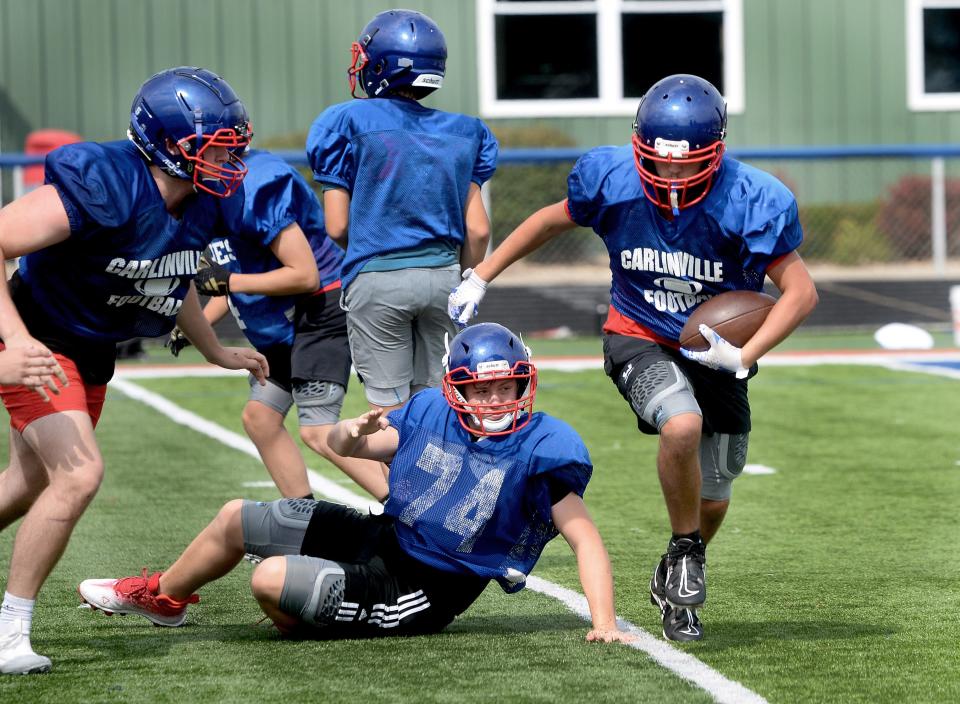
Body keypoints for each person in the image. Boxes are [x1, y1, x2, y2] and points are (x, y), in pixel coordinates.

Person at [447, 74, 819, 642]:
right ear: (637, 146)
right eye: (658, 161)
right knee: (681, 423)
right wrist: (483, 274)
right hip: (636, 332)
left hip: (714, 347)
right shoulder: (612, 178)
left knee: (716, 494)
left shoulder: (750, 199)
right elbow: (550, 220)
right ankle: (691, 554)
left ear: (716, 151)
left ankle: (680, 554)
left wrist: (745, 353)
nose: (671, 174)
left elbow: (801, 292)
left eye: (686, 162)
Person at [78, 323, 632, 644]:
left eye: (505, 388)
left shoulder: (544, 447)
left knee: (271, 581)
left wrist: (603, 621)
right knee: (235, 517)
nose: (494, 401)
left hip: (429, 588)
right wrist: (350, 431)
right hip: (384, 538)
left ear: (523, 385)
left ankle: (305, 620)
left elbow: (585, 538)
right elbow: (351, 449)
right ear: (455, 389)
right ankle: (163, 598)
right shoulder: (430, 410)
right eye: (480, 390)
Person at [0, 67, 268, 674]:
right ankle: (9, 630)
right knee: (78, 475)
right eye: (215, 146)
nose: (229, 159)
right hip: (38, 337)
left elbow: (178, 276)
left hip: (90, 348)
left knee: (29, 483)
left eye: (233, 145)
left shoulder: (206, 201)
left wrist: (214, 348)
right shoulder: (105, 181)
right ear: (167, 143)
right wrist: (11, 340)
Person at [306, 9, 497, 416]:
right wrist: (460, 278)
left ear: (380, 65)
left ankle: (398, 484)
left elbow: (337, 224)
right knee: (437, 411)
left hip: (377, 278)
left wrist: (372, 247)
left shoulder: (345, 121)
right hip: (443, 279)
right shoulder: (467, 131)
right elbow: (478, 231)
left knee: (389, 417)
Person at [169, 149, 389, 500]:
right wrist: (195, 326)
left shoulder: (253, 186)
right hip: (284, 325)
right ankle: (302, 519)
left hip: (318, 309)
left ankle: (409, 514)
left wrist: (230, 283)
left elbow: (303, 276)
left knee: (319, 430)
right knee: (260, 419)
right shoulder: (206, 201)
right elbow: (231, 282)